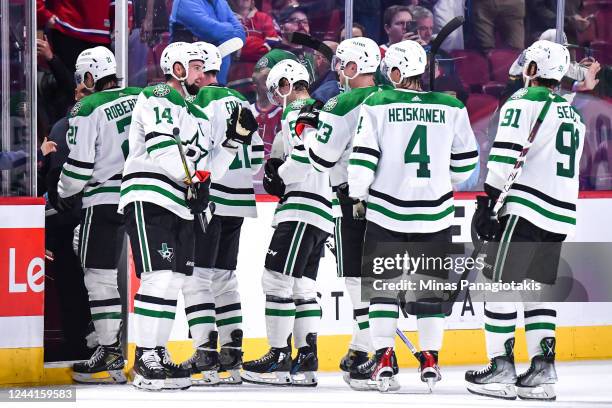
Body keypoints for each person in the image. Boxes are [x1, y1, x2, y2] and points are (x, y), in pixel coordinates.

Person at [346, 40, 478, 392]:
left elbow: (362, 158)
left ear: (397, 71)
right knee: (429, 292)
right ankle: (430, 359)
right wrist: (436, 184)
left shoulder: (376, 102)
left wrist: (358, 193)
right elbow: (465, 165)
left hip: (387, 212)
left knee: (383, 291)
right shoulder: (452, 106)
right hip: (435, 215)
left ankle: (385, 358)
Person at [465, 40, 585, 401]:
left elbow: (505, 153)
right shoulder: (572, 113)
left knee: (496, 285)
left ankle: (501, 367)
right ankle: (543, 371)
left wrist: (488, 199)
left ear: (533, 69)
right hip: (559, 212)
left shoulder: (523, 101)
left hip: (526, 209)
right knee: (536, 291)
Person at [118, 42, 211, 391]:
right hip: (150, 196)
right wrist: (193, 180)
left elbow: (201, 161)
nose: (202, 74)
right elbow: (161, 146)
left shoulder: (195, 111)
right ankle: (144, 357)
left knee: (172, 281)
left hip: (179, 203)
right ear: (177, 69)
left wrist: (204, 186)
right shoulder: (158, 94)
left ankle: (157, 349)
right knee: (157, 277)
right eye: (196, 67)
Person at [241, 59, 337, 386]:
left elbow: (308, 156)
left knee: (275, 281)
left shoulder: (300, 111)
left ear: (286, 84)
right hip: (322, 209)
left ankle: (279, 357)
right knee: (302, 286)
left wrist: (280, 175)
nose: (275, 96)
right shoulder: (321, 112)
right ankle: (307, 359)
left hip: (301, 208)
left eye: (276, 88)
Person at [296, 36, 386, 385]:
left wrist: (307, 130)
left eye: (340, 66)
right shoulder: (389, 97)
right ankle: (363, 348)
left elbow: (321, 160)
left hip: (353, 197)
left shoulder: (342, 101)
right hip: (391, 199)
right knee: (378, 278)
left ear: (352, 67)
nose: (337, 73)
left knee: (355, 277)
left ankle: (373, 351)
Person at [54, 47, 141, 384]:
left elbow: (77, 170)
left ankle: (109, 350)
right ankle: (148, 351)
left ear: (89, 77)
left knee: (99, 276)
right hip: (141, 195)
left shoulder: (86, 107)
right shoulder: (139, 95)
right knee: (151, 279)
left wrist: (62, 192)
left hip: (104, 199)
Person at [179, 41, 261, 386]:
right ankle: (232, 354)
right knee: (225, 278)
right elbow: (256, 160)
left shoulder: (198, 102)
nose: (191, 75)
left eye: (196, 68)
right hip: (240, 198)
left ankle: (205, 356)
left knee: (198, 278)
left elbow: (193, 154)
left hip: (212, 197)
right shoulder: (243, 102)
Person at [169, 0, 246, 85]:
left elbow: (240, 34)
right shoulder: (184, 2)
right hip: (189, 79)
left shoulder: (221, 2)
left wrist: (223, 30)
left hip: (219, 78)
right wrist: (230, 28)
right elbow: (211, 32)